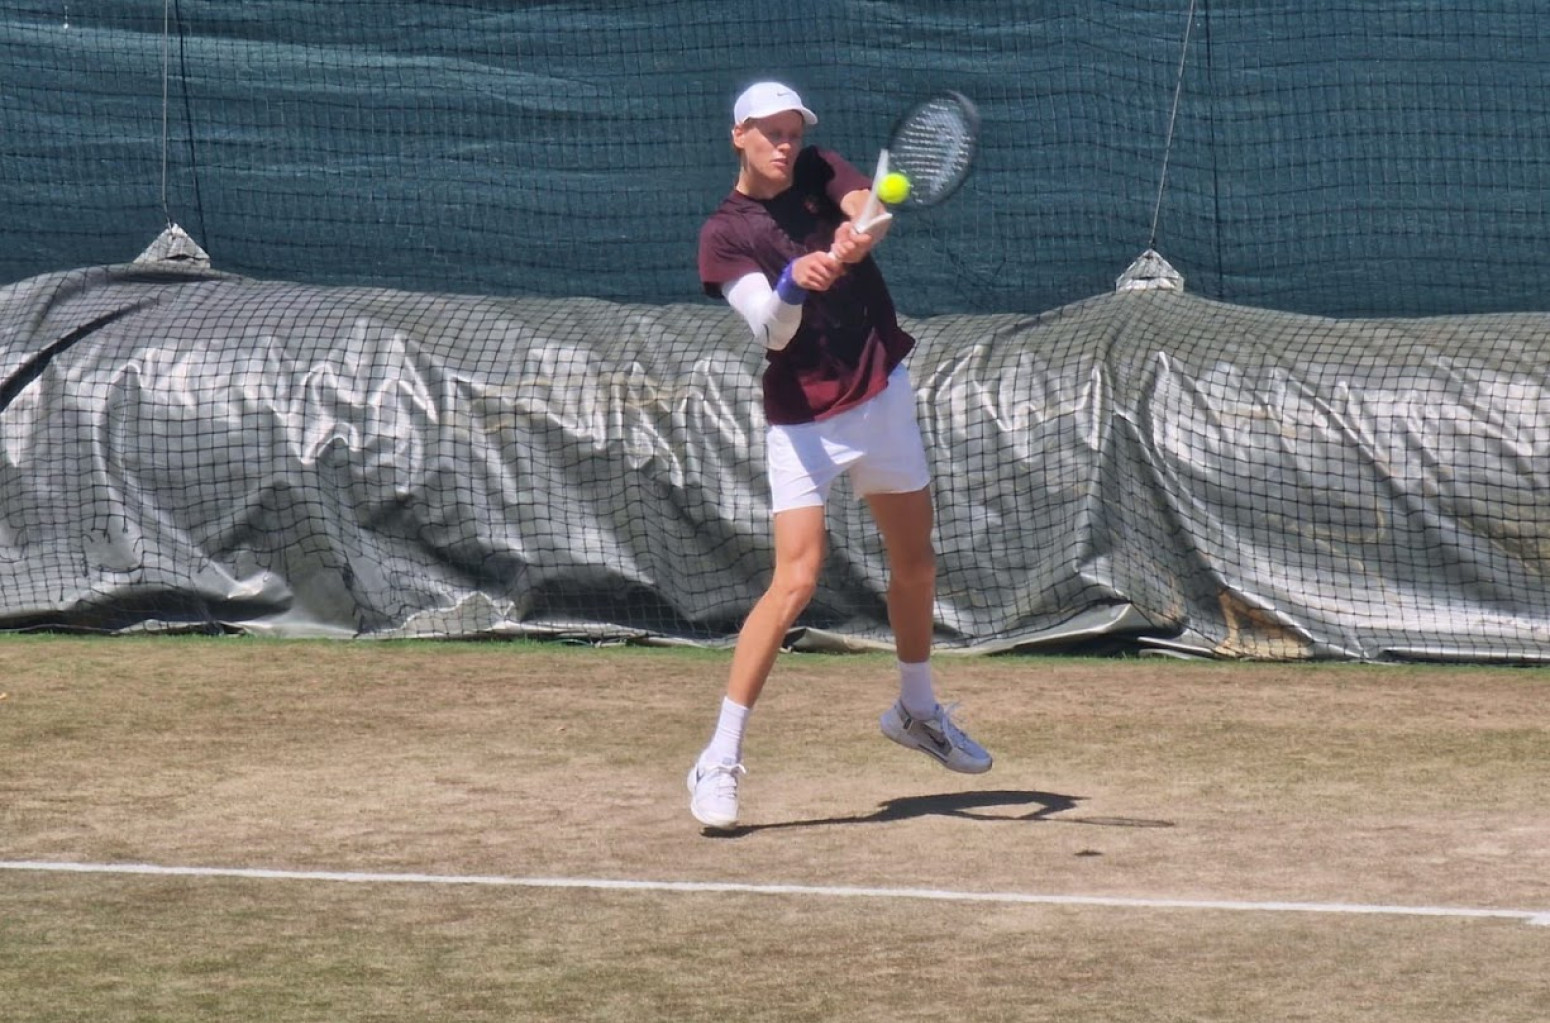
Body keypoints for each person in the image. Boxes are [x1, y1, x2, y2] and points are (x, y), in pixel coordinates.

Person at [688, 81, 992, 830]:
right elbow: (771, 330)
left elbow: (868, 209)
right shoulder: (724, 234)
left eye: (792, 131)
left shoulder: (820, 167)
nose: (785, 144)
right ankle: (718, 758)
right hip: (803, 422)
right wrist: (795, 282)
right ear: (738, 136)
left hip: (880, 393)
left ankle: (915, 711)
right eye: (770, 132)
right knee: (795, 581)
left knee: (915, 563)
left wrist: (859, 232)